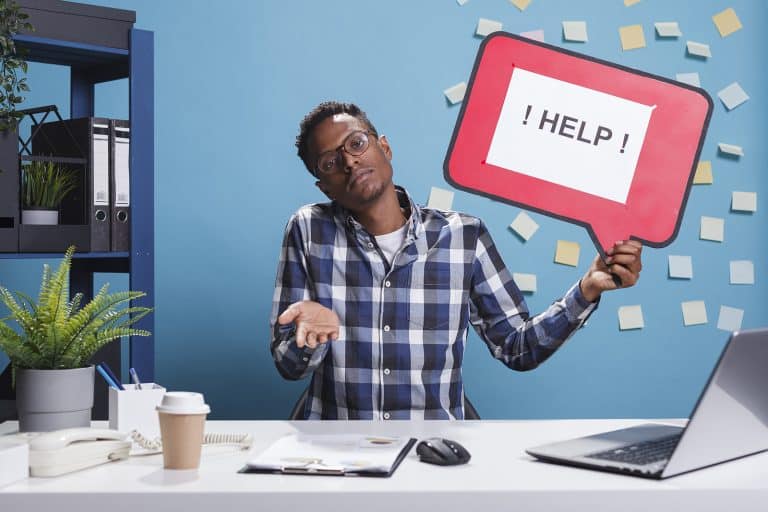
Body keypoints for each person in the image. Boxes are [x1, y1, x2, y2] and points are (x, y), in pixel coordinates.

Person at [270, 101, 642, 420]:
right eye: (330, 163)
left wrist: (587, 290)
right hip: (335, 456)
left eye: (357, 143)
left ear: (384, 147)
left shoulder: (463, 237)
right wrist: (312, 337)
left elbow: (517, 348)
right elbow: (289, 366)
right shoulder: (309, 230)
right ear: (324, 186)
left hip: (433, 455)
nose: (350, 161)